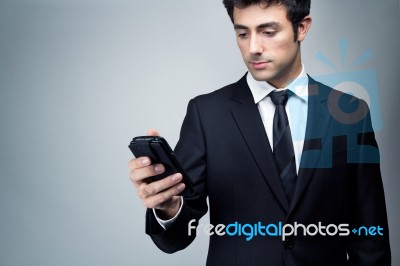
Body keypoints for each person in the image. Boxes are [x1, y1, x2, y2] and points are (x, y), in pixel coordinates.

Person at [129, 0, 391, 265]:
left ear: (301, 28)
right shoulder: (207, 114)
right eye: (242, 34)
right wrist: (168, 208)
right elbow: (176, 237)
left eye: (268, 32)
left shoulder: (349, 113)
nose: (253, 48)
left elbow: (369, 236)